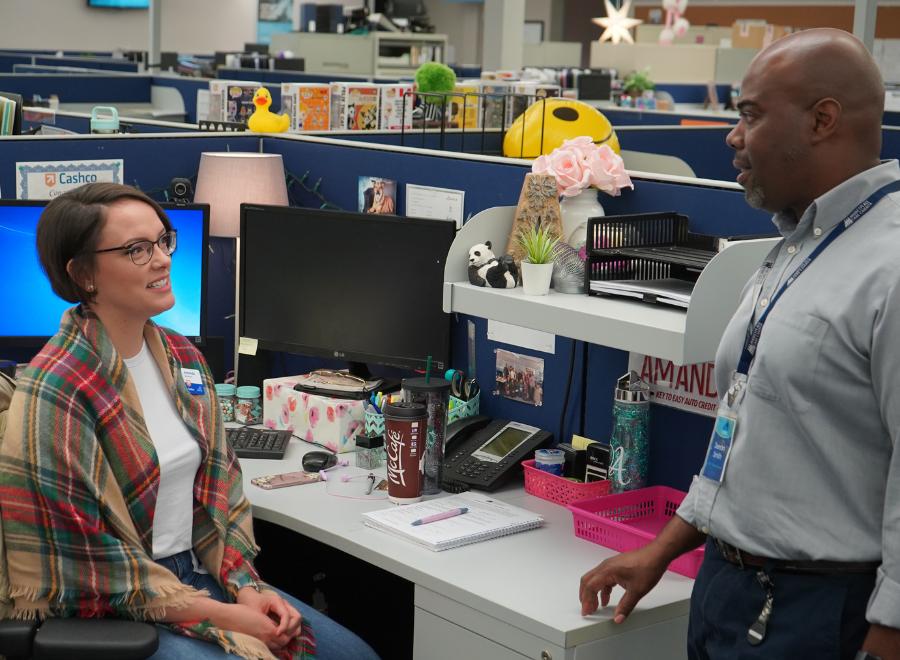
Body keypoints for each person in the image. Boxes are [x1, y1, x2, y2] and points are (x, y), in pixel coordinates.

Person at [579, 28, 900, 660]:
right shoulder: (792, 243)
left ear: (822, 120)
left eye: (750, 115)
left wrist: (888, 638)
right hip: (728, 590)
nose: (732, 136)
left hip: (821, 610)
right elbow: (741, 425)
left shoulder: (889, 264)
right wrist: (664, 547)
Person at [0, 183, 380, 660]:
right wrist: (224, 615)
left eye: (163, 240)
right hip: (118, 603)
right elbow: (88, 556)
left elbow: (223, 486)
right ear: (84, 274)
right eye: (137, 250)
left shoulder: (181, 357)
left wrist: (245, 586)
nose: (162, 259)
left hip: (202, 571)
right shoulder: (58, 388)